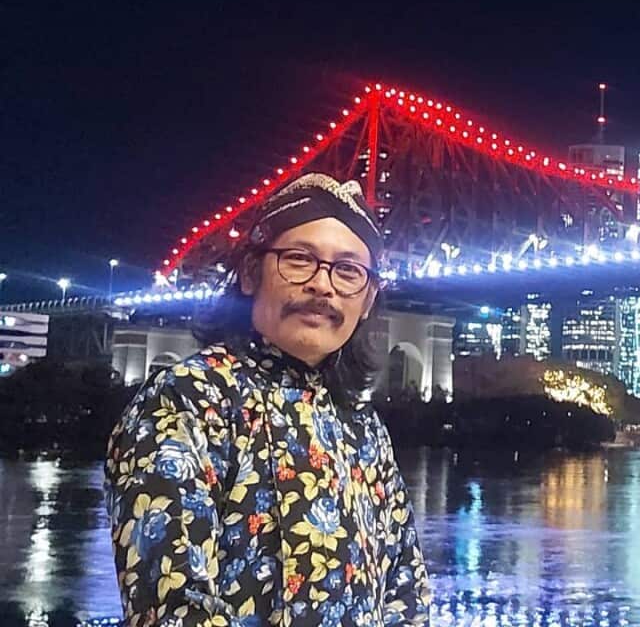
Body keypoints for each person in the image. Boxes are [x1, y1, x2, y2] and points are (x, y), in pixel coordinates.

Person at [104, 173, 431, 626]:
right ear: (250, 273)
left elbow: (406, 590)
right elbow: (171, 606)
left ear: (369, 299)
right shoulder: (185, 402)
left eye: (349, 270)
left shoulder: (363, 424)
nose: (323, 285)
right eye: (299, 259)